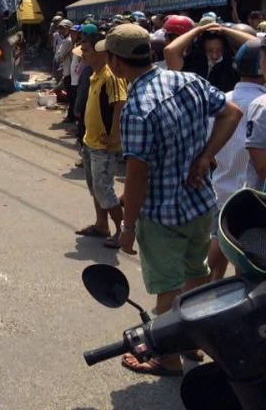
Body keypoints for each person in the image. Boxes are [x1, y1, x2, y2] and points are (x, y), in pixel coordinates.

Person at [102, 23, 242, 377]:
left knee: (167, 287)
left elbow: (137, 174)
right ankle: (191, 340)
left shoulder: (138, 107)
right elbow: (231, 113)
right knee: (196, 275)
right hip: (200, 204)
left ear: (116, 63)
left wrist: (127, 228)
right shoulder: (187, 80)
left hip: (161, 215)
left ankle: (167, 358)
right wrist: (206, 155)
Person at [206, 40, 266, 281]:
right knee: (246, 263)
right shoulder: (261, 104)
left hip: (221, 187)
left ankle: (201, 292)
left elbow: (208, 144)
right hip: (250, 199)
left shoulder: (223, 99)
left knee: (219, 248)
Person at [74, 29, 127, 249]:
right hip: (90, 142)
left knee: (104, 189)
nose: (82, 54)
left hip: (104, 146)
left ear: (99, 52)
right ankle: (101, 225)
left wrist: (114, 136)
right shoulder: (94, 74)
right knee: (95, 188)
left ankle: (122, 232)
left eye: (86, 50)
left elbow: (120, 104)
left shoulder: (111, 76)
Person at [164, 21, 255, 92]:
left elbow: (256, 44)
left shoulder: (233, 65)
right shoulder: (191, 63)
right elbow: (170, 51)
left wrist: (225, 30)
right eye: (210, 51)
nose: (214, 56)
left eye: (219, 50)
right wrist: (198, 30)